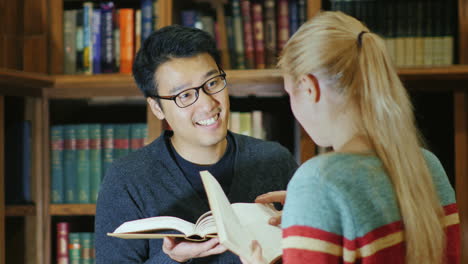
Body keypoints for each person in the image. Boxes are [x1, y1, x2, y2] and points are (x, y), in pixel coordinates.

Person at [243, 11, 460, 264]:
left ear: (309, 87)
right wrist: (312, 209)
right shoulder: (428, 165)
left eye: (290, 93)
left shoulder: (318, 180)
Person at [94, 25, 298, 264]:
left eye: (212, 83)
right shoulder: (127, 179)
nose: (207, 104)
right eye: (185, 95)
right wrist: (172, 259)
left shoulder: (274, 160)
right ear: (157, 108)